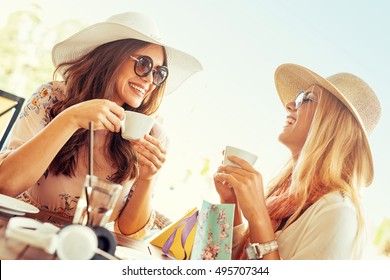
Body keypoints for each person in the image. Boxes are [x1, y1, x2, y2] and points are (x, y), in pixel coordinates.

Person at [0, 12, 202, 239]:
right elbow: (5, 184)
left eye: (159, 73)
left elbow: (129, 232)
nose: (149, 80)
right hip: (19, 235)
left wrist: (147, 178)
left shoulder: (151, 133)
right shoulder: (51, 98)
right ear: (112, 56)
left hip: (85, 249)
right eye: (144, 64)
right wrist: (69, 119)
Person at [214, 63, 381, 259]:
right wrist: (230, 202)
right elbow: (243, 262)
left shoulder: (338, 212)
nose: (290, 104)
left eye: (306, 99)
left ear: (332, 124)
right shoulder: (287, 197)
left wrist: (258, 215)